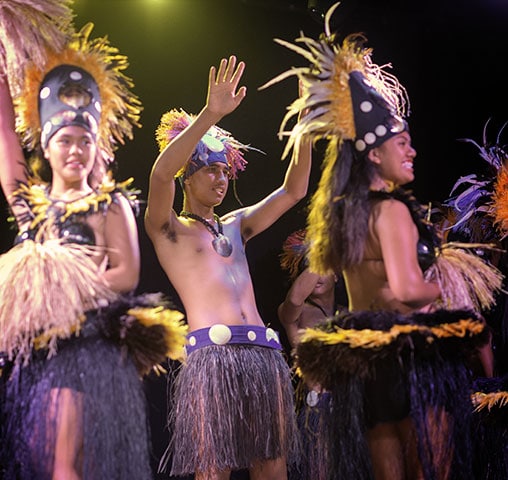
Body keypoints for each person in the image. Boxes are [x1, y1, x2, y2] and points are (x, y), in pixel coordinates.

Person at [262, 3, 504, 479]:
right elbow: (407, 290)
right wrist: (452, 296)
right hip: (413, 361)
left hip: (369, 367)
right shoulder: (391, 210)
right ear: (374, 154)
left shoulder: (346, 216)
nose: (412, 150)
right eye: (402, 143)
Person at [0, 8, 187, 480]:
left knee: (70, 467)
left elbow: (125, 273)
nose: (76, 150)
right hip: (46, 352)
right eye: (65, 141)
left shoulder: (109, 204)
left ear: (96, 148)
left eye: (85, 141)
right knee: (51, 465)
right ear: (46, 145)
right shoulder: (35, 207)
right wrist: (3, 71)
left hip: (88, 350)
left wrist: (62, 290)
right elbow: (6, 152)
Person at [145, 55, 312, 480]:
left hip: (262, 354)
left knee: (272, 465)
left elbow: (294, 190)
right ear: (189, 176)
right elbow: (161, 174)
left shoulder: (237, 225)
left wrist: (306, 124)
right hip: (211, 359)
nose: (221, 180)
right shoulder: (169, 230)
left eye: (225, 171)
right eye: (210, 171)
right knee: (214, 470)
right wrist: (211, 115)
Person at [277, 228, 347, 480]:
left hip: (351, 412)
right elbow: (295, 299)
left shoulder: (349, 315)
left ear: (337, 275)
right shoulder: (296, 314)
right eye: (309, 264)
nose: (316, 272)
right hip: (317, 414)